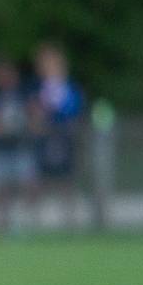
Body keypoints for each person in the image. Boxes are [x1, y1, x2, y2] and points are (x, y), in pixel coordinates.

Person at [31, 42, 86, 229]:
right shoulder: (37, 88)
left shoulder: (69, 88)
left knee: (66, 181)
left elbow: (73, 109)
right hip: (43, 140)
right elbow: (34, 113)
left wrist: (53, 112)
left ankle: (70, 222)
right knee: (38, 181)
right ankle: (34, 222)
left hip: (64, 139)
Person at [0, 57, 36, 234]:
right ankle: (1, 225)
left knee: (29, 185)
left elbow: (35, 115)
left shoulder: (23, 93)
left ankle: (24, 222)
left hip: (20, 147)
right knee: (0, 190)